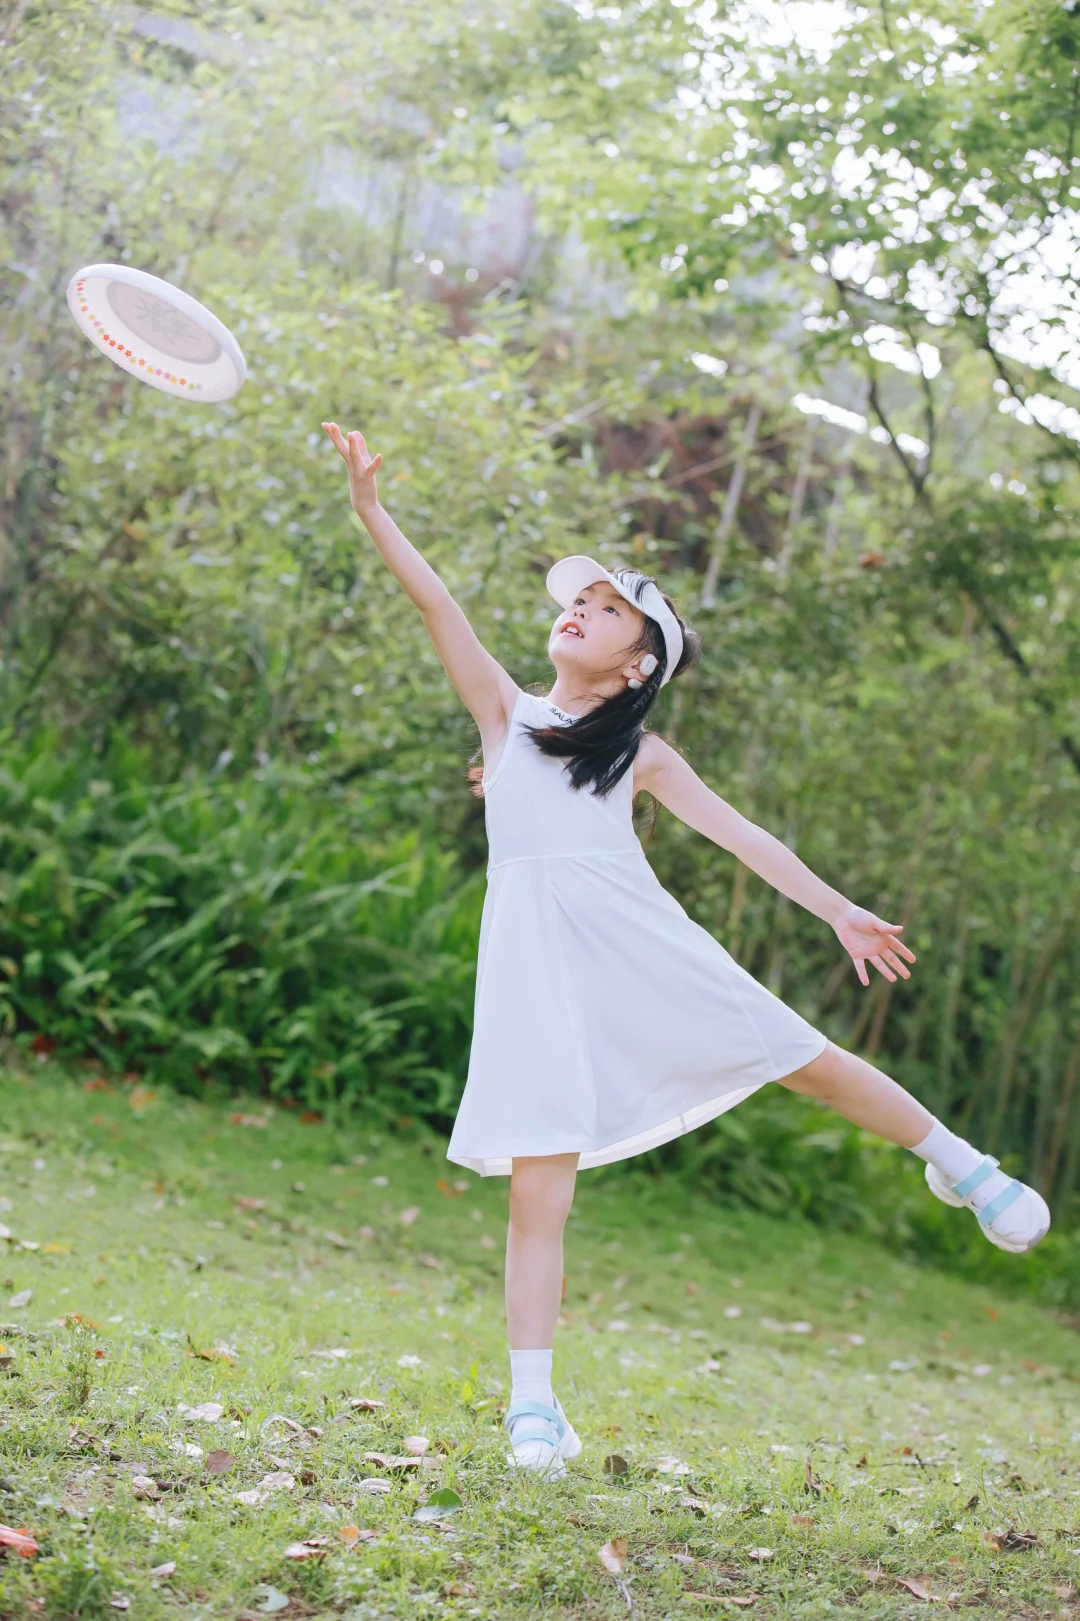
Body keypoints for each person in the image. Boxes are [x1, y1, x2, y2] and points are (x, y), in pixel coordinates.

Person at [322, 421, 1051, 1479]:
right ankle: (535, 1408)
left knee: (809, 1062)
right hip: (536, 978)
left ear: (637, 665)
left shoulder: (643, 755)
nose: (579, 609)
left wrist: (839, 909)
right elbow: (439, 604)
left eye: (609, 609)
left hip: (644, 953)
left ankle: (963, 1167)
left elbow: (747, 838)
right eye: (579, 599)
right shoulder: (504, 718)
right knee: (539, 1189)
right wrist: (372, 509)